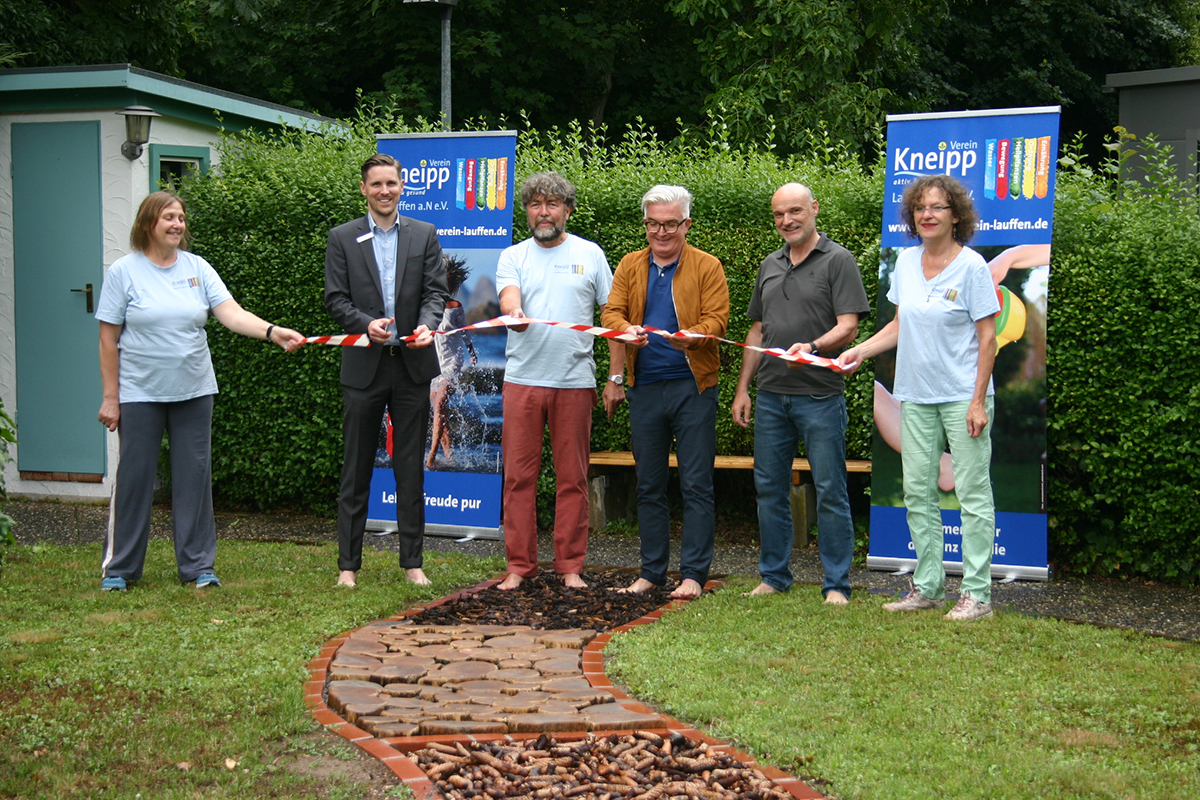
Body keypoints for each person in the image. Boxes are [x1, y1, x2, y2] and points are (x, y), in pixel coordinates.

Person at [96, 191, 305, 591]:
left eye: (181, 218)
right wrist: (111, 397)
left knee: (194, 477)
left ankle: (197, 567)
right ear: (148, 224)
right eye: (168, 218)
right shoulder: (124, 272)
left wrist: (272, 331)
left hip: (194, 390)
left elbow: (231, 313)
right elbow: (108, 339)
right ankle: (120, 568)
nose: (177, 224)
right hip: (139, 392)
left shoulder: (197, 268)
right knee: (135, 479)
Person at [836, 174, 1000, 622]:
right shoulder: (906, 263)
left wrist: (977, 401)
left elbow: (989, 340)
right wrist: (859, 350)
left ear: (956, 216)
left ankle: (978, 595)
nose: (927, 215)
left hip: (963, 397)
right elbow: (898, 325)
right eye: (920, 208)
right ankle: (927, 587)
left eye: (937, 208)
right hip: (915, 396)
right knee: (918, 493)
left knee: (971, 494)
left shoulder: (972, 267)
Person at [731, 183, 870, 603]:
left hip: (820, 396)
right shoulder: (769, 264)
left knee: (830, 489)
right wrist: (744, 389)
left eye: (794, 211)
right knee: (769, 487)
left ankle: (836, 585)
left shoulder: (838, 260)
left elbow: (850, 325)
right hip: (771, 396)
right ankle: (774, 576)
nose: (786, 221)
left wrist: (812, 347)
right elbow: (757, 330)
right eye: (778, 214)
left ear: (813, 210)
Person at [325, 153, 447, 588]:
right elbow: (336, 299)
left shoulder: (424, 234)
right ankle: (347, 567)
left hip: (411, 367)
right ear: (364, 189)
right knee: (355, 469)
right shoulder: (342, 237)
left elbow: (437, 292)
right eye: (376, 184)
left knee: (410, 468)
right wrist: (364, 325)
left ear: (402, 186)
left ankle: (413, 562)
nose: (384, 191)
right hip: (365, 367)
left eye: (391, 184)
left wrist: (428, 325)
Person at [602, 185, 729, 600]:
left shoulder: (708, 266)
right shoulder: (629, 264)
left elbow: (718, 320)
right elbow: (611, 312)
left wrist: (695, 338)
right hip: (645, 389)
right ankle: (651, 572)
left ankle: (693, 574)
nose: (662, 231)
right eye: (654, 223)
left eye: (671, 224)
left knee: (696, 483)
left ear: (686, 224)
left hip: (694, 387)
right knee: (649, 484)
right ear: (645, 225)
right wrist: (625, 330)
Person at [495, 172, 621, 591]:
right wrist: (513, 312)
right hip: (523, 381)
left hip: (574, 382)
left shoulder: (591, 254)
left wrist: (614, 376)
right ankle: (519, 567)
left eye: (552, 204)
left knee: (573, 479)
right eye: (535, 205)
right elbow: (509, 295)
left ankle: (569, 567)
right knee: (518, 479)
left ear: (567, 210)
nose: (543, 212)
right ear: (527, 212)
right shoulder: (513, 256)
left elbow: (612, 319)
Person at [427, 254, 478, 469]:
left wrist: (471, 352)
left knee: (439, 403)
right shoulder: (426, 304)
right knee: (442, 411)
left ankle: (430, 456)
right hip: (433, 363)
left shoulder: (455, 305)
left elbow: (465, 331)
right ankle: (449, 458)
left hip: (452, 361)